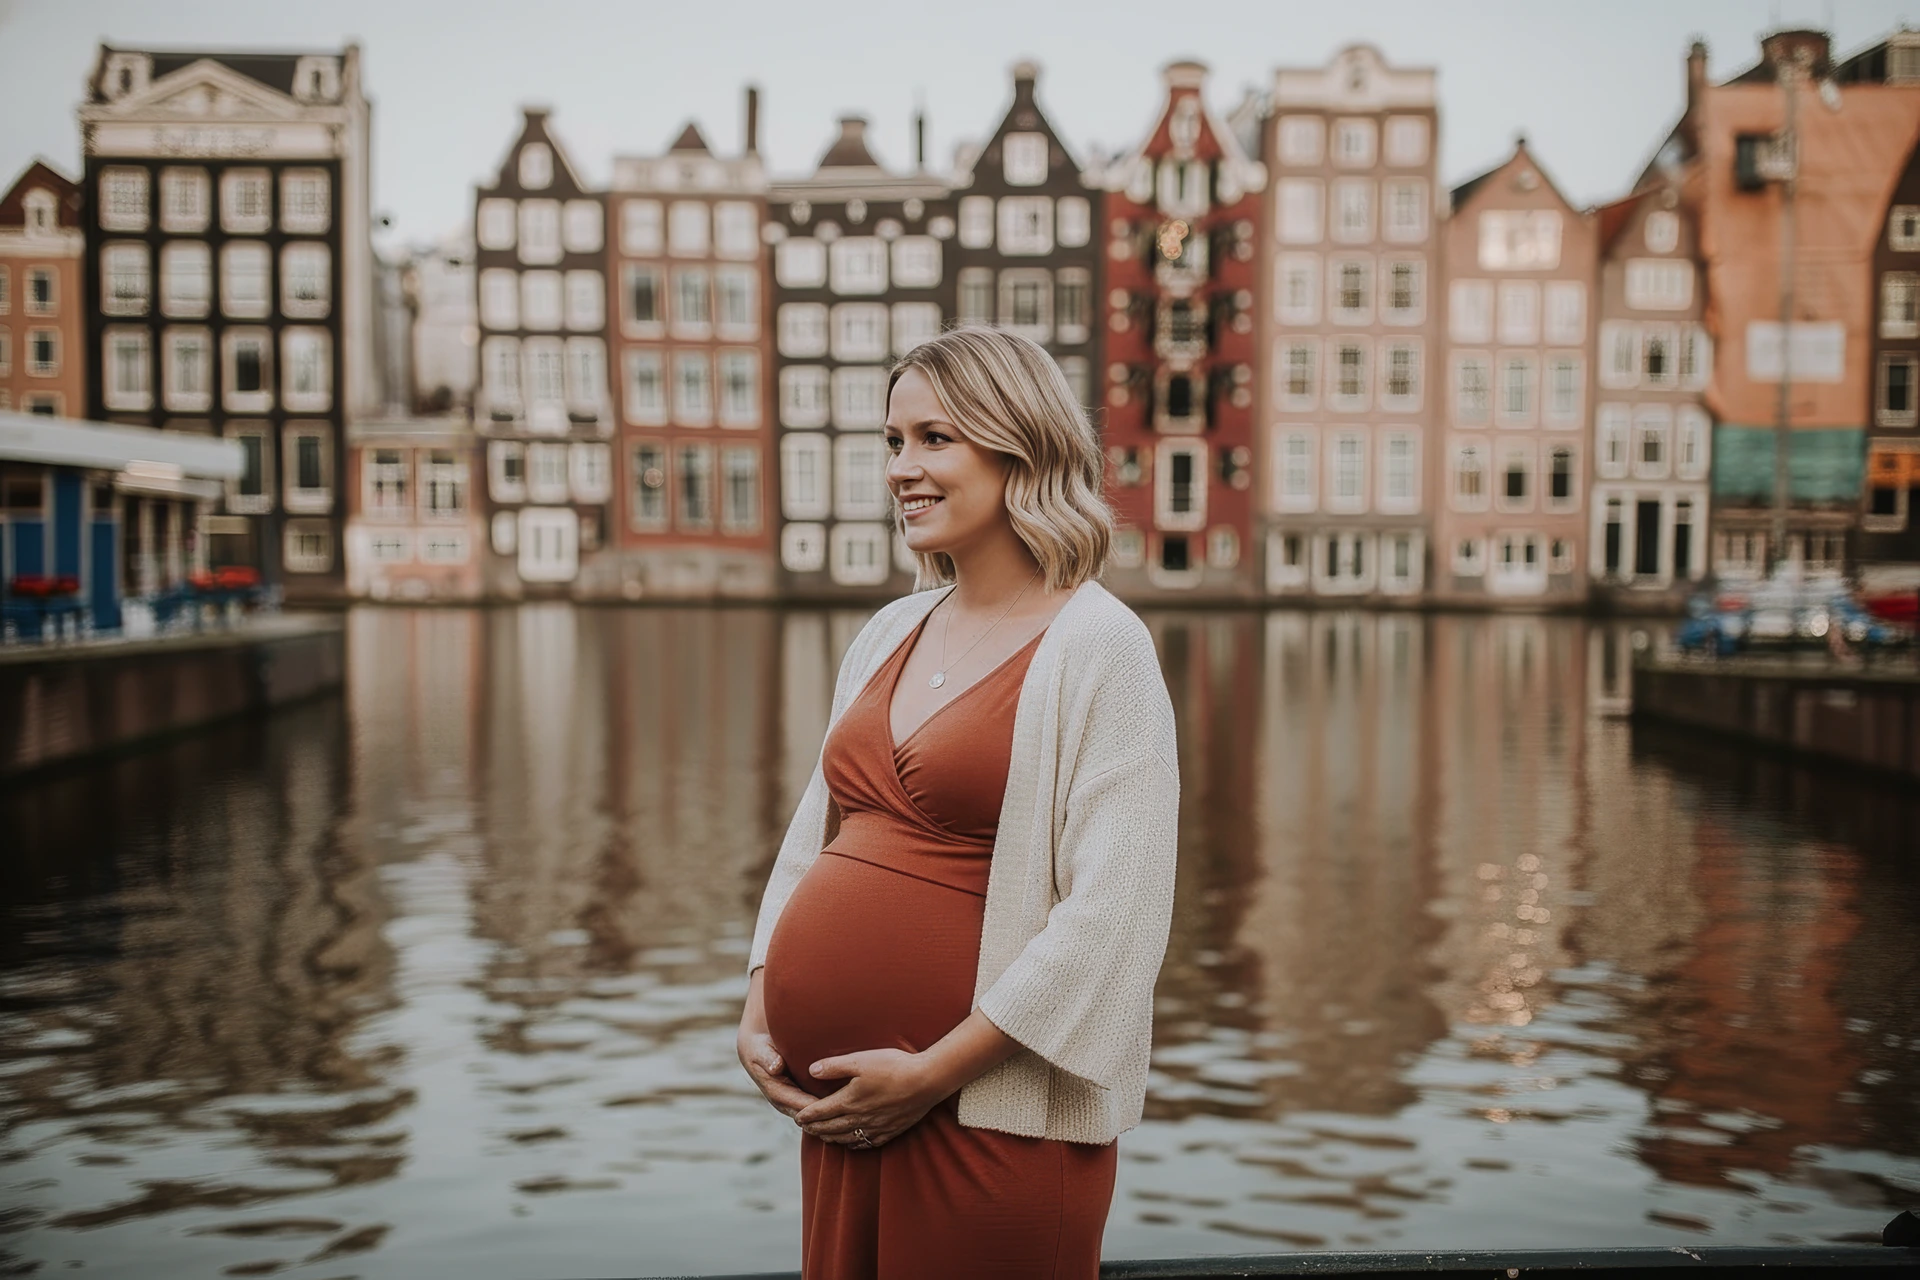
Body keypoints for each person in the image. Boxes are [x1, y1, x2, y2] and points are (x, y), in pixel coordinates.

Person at [736, 326, 1181, 1279]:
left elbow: (1117, 916)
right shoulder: (893, 629)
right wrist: (762, 991)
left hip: (988, 1118)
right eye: (893, 442)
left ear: (1020, 446)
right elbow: (814, 838)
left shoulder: (1102, 646)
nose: (902, 468)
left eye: (936, 439)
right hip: (851, 1115)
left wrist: (932, 1074)